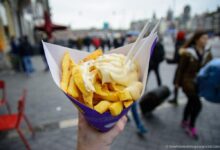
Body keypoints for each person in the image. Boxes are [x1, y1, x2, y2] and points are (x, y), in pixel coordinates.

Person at [175, 31, 212, 139]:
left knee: (191, 103)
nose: (205, 40)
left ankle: (184, 120)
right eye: (203, 38)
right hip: (188, 83)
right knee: (197, 104)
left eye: (206, 38)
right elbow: (180, 69)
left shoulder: (207, 53)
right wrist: (177, 83)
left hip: (200, 83)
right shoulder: (188, 52)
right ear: (196, 39)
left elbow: (210, 68)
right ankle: (191, 126)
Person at [168, 31, 186, 105]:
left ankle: (175, 99)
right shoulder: (186, 43)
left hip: (180, 67)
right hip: (186, 67)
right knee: (185, 83)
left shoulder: (178, 44)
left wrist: (168, 61)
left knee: (177, 83)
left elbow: (176, 59)